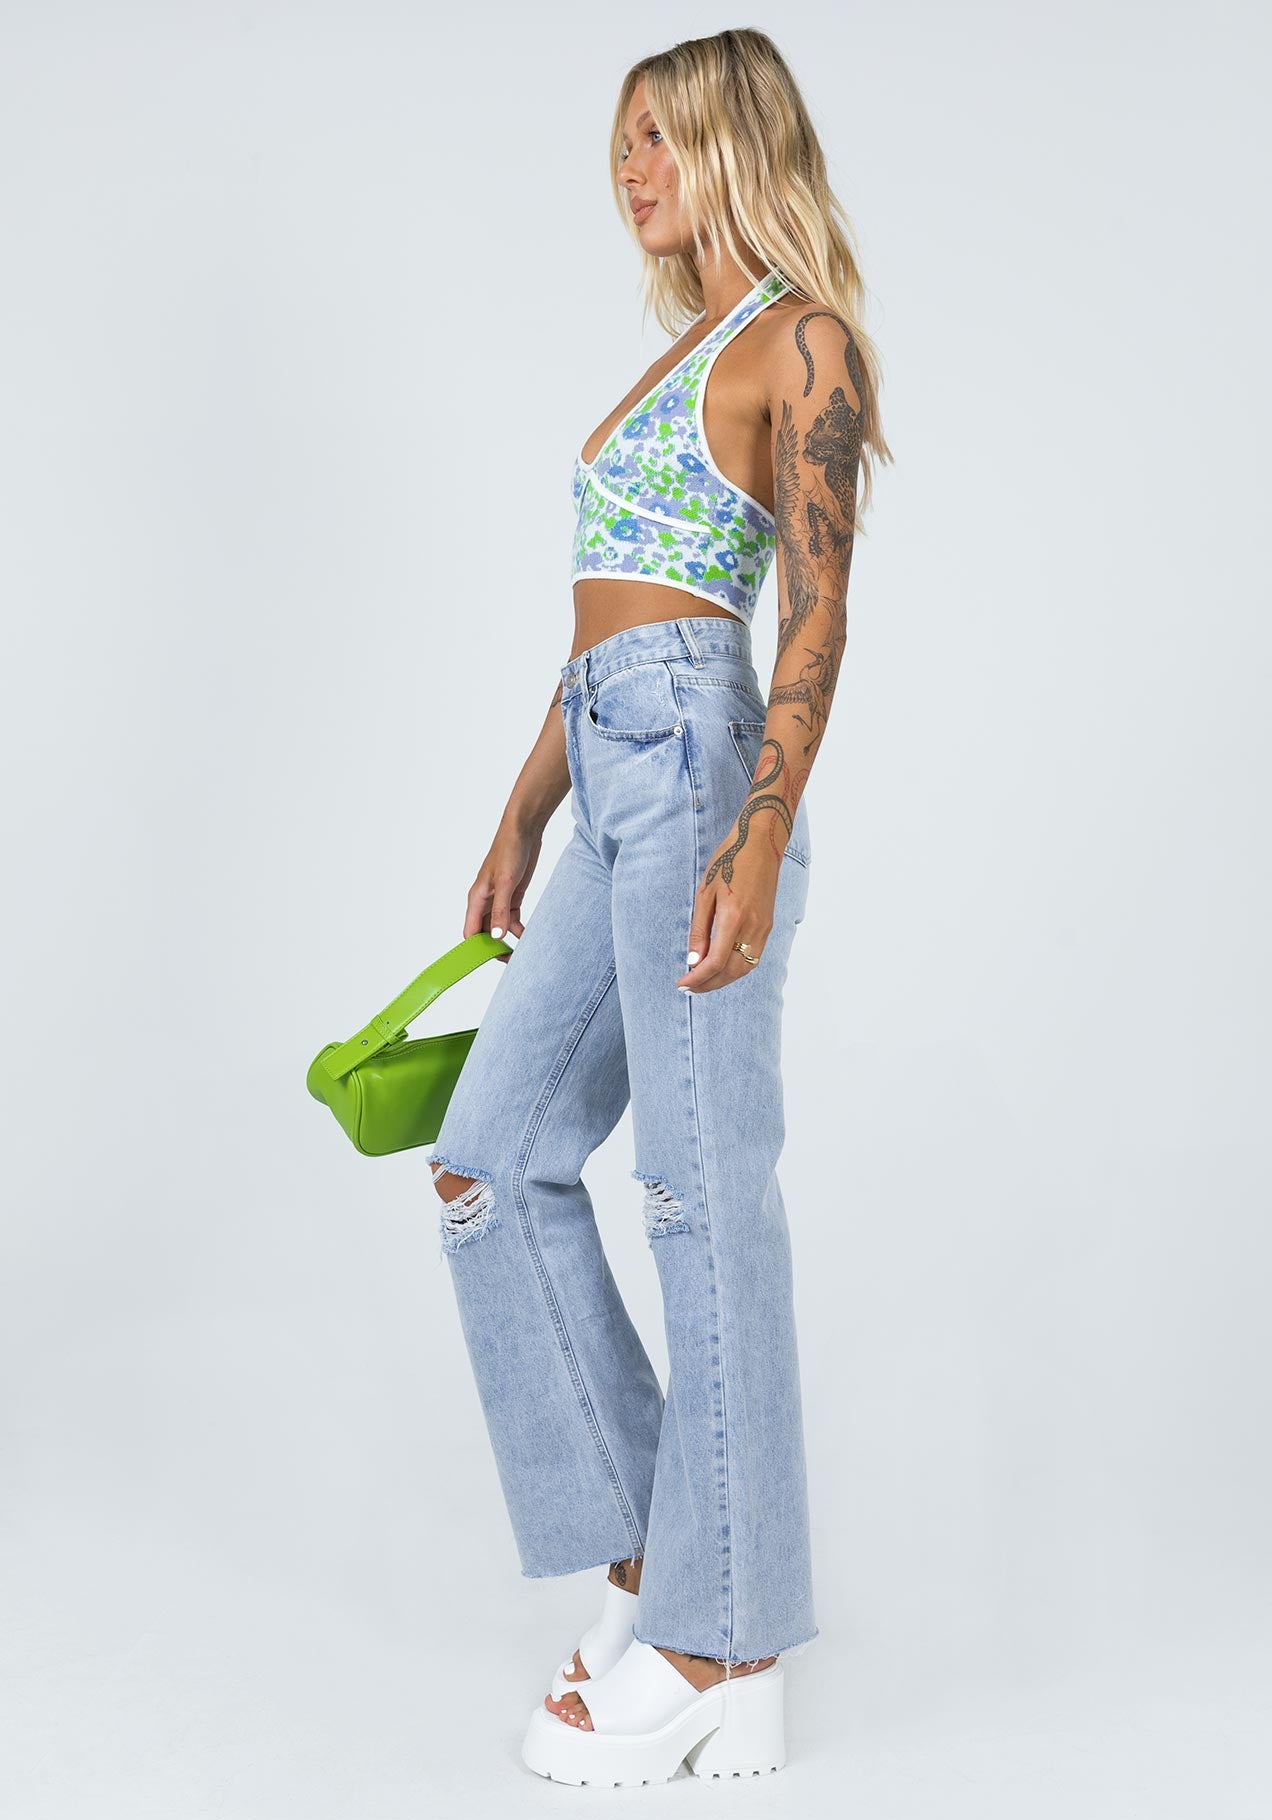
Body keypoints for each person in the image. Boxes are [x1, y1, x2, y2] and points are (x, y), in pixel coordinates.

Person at [425, 26, 889, 1785]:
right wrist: (519, 810)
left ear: (736, 144)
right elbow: (605, 621)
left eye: (664, 139)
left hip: (703, 771)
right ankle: (662, 1553)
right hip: (612, 764)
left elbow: (814, 613)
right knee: (489, 1158)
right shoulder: (674, 356)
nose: (632, 172)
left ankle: (718, 1640)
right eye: (621, 141)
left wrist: (759, 832)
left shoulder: (799, 339)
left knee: (700, 1195)